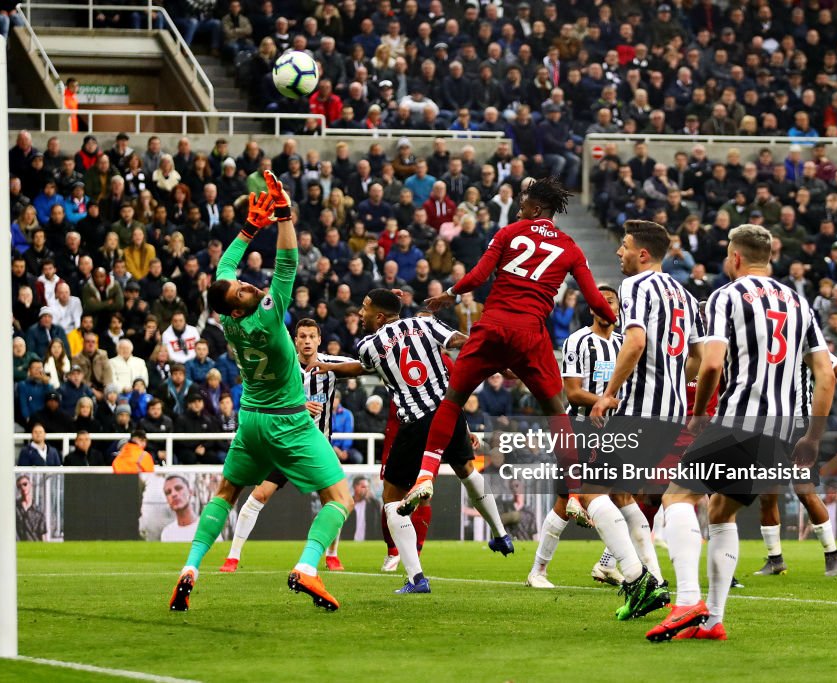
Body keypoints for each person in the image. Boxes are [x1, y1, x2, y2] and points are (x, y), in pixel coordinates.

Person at [169, 171, 354, 613]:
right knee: (339, 499)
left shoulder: (229, 320)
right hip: (290, 419)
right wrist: (285, 213)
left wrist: (249, 229)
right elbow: (288, 264)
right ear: (237, 306)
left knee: (226, 493)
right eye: (242, 290)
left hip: (250, 420)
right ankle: (308, 566)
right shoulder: (267, 318)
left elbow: (224, 270)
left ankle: (190, 568)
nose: (249, 284)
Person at [645, 224, 834, 642]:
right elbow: (826, 375)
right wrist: (814, 438)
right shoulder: (800, 303)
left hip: (739, 420)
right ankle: (712, 620)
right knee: (720, 514)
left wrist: (697, 415)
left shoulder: (726, 296)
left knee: (676, 498)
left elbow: (711, 364)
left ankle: (687, 601)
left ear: (735, 258)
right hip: (783, 429)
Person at [406, 176, 615, 530]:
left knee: (452, 401)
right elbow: (595, 299)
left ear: (535, 209)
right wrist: (614, 318)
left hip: (492, 327)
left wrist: (449, 294)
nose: (519, 207)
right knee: (556, 413)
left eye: (523, 203)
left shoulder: (510, 232)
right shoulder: (570, 248)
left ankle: (426, 475)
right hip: (530, 336)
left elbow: (479, 275)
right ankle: (575, 494)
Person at [315, 289, 512, 594]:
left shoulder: (368, 344)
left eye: (365, 309)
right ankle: (500, 533)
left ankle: (416, 577)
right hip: (449, 413)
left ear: (379, 316)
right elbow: (460, 341)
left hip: (416, 423)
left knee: (392, 499)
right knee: (466, 469)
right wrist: (495, 357)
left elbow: (364, 364)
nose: (360, 314)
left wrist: (330, 367)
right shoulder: (426, 323)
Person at [588, 220, 705, 621]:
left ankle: (638, 581)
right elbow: (697, 360)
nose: (619, 253)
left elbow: (635, 341)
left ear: (642, 253)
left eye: (624, 246)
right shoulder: (686, 296)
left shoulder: (636, 287)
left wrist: (608, 393)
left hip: (640, 411)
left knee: (586, 489)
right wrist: (674, 379)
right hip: (673, 411)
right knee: (628, 496)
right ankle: (656, 580)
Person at [219, 318, 354, 573]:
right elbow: (267, 397)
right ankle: (233, 556)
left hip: (318, 447)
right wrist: (298, 407)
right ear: (295, 340)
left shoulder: (331, 364)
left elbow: (360, 367)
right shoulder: (282, 364)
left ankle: (332, 554)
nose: (306, 341)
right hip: (283, 445)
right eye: (302, 336)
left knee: (334, 500)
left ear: (319, 340)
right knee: (259, 495)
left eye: (311, 336)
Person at [527, 285, 624, 589]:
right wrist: (607, 401)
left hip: (615, 433)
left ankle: (607, 564)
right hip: (580, 428)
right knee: (565, 503)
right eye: (603, 302)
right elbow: (573, 391)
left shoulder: (625, 344)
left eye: (613, 303)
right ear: (593, 308)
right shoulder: (578, 341)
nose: (608, 307)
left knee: (623, 498)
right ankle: (538, 571)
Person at [753, 353, 837, 578]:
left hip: (799, 428)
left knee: (804, 490)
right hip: (768, 427)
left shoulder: (803, 337)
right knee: (767, 493)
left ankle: (832, 554)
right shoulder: (759, 338)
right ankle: (775, 559)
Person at [161, 475, 200, 542]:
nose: (173, 494)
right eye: (168, 492)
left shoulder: (208, 528)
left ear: (190, 492)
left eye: (178, 488)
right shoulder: (167, 534)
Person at [15, 475, 47, 541]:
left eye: (25, 484)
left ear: (30, 485)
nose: (23, 487)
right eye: (19, 486)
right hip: (19, 547)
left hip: (34, 548)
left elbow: (43, 534)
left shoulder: (38, 510)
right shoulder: (14, 507)